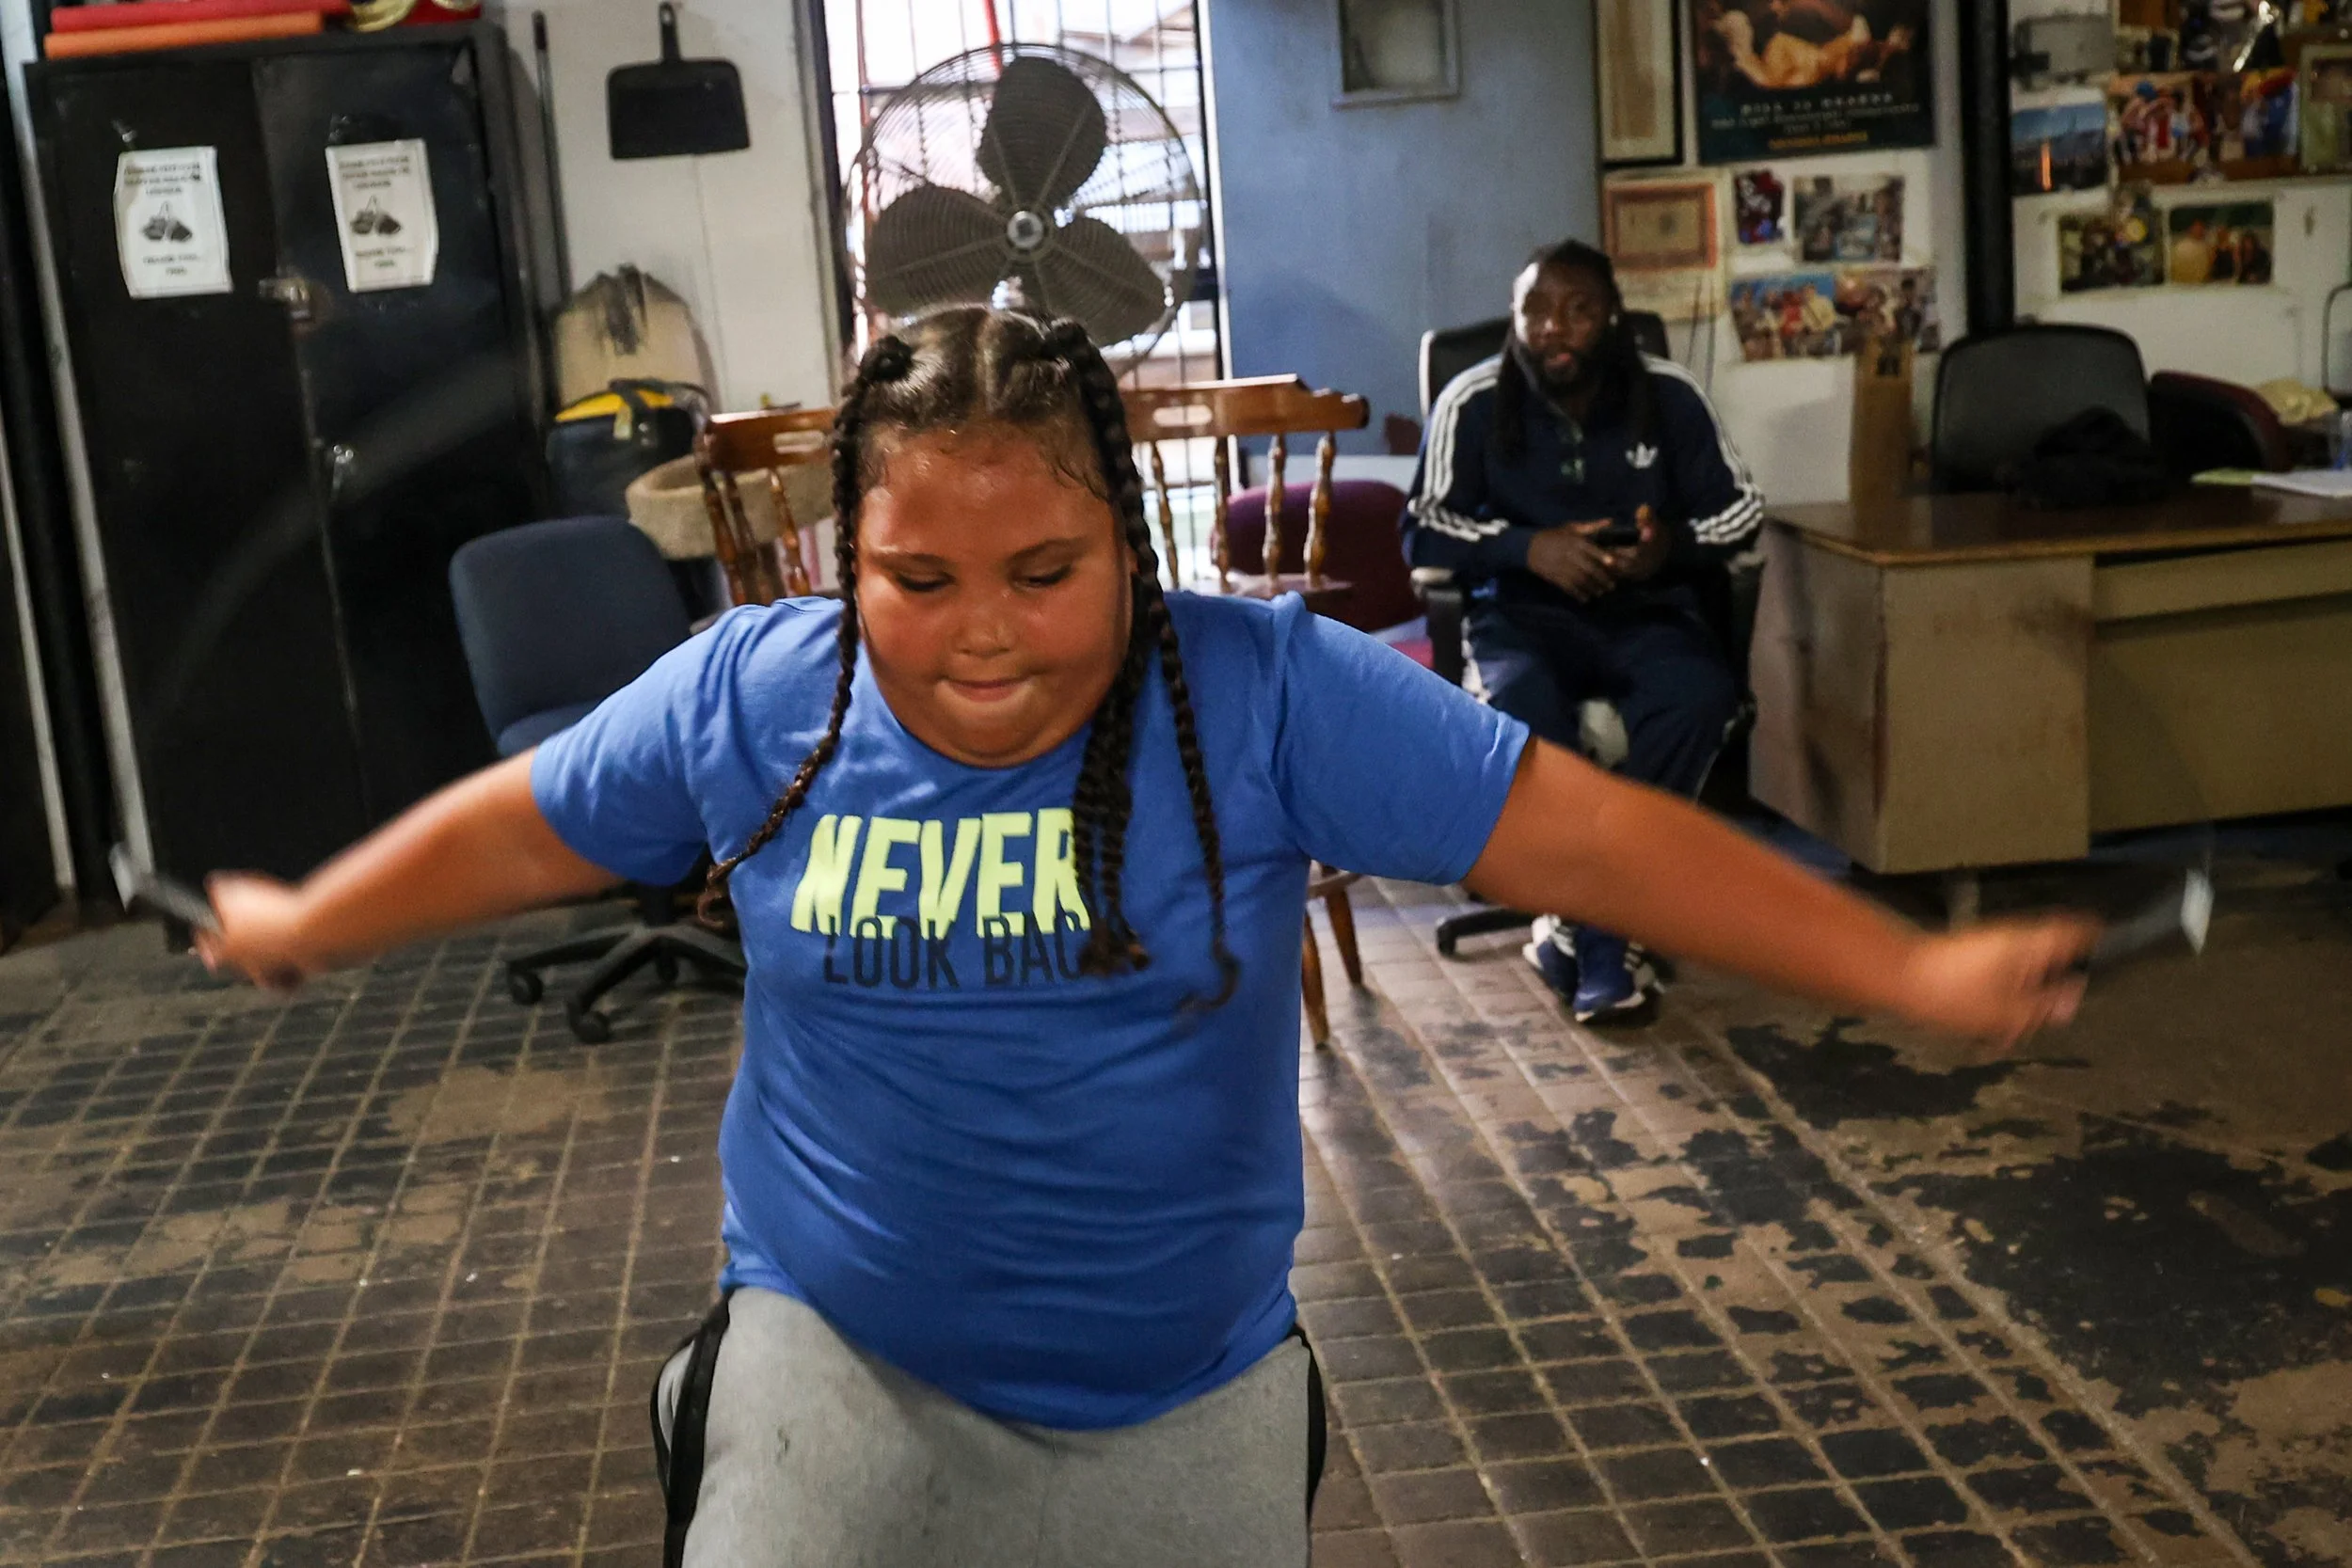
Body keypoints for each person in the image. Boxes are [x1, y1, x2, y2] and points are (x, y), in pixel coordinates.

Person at [197, 306, 2094, 1568]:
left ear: (1131, 535)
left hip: (1173, 1386)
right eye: (913, 578)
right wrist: (319, 911)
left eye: (1046, 570)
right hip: (832, 1346)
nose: (984, 634)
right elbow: (525, 821)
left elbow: (1594, 836)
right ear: (829, 562)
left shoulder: (1263, 692)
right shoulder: (751, 694)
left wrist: (1896, 963)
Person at [1403, 240, 1771, 1022]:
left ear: (1611, 318)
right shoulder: (1472, 399)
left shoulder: (1667, 394)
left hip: (1646, 613)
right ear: (1515, 317)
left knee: (1700, 697)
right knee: (1523, 714)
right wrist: (1528, 547)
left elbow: (1741, 509)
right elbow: (1422, 530)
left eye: (1576, 310)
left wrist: (1671, 546)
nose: (1553, 328)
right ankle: (1609, 937)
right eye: (1534, 309)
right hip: (1520, 618)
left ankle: (1578, 924)